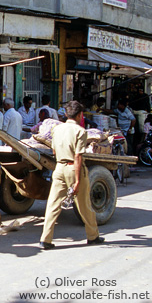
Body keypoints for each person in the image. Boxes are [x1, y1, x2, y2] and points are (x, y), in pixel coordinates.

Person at [39, 100, 104, 250]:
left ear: (66, 114)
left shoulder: (56, 129)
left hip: (59, 168)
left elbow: (54, 151)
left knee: (52, 205)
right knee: (84, 206)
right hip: (73, 169)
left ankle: (45, 239)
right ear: (80, 115)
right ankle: (93, 236)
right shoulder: (81, 131)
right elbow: (78, 157)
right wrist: (77, 181)